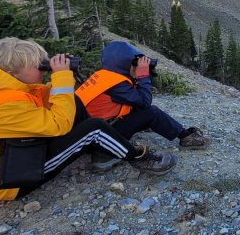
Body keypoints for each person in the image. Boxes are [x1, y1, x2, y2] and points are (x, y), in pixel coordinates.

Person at [0, 37, 177, 206]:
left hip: (18, 156)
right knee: (94, 129)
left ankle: (101, 147)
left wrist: (59, 78)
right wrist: (62, 78)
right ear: (13, 74)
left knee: (72, 103)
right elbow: (58, 125)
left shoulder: (6, 89)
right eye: (39, 66)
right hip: (8, 180)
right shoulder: (3, 106)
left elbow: (55, 103)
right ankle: (139, 158)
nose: (43, 69)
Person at [76, 41, 210, 170]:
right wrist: (143, 76)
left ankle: (155, 128)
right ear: (124, 64)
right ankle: (186, 137)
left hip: (87, 135)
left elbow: (133, 101)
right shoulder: (116, 84)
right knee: (151, 112)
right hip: (99, 141)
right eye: (133, 63)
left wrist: (144, 73)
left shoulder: (103, 77)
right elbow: (145, 101)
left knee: (139, 108)